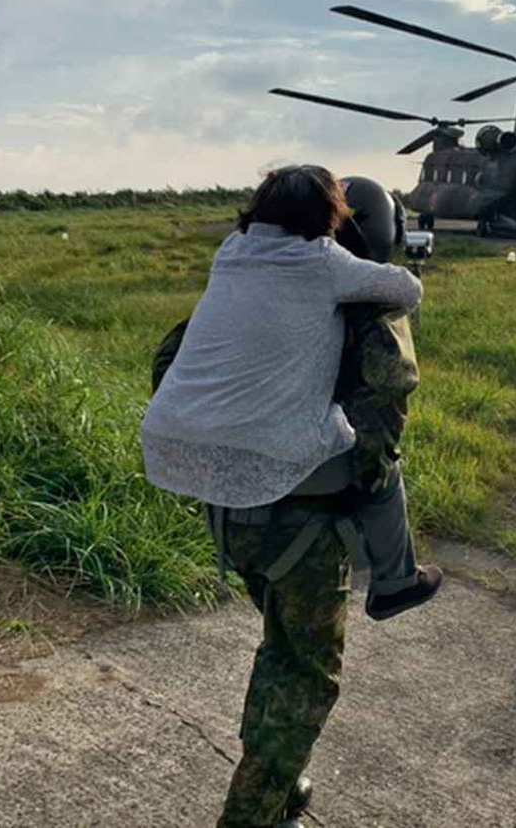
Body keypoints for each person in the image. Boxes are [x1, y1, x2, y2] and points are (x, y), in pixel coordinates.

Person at [140, 165, 441, 828]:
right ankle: (252, 814)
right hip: (301, 526)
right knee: (302, 679)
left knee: (283, 655)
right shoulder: (367, 313)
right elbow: (379, 435)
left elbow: (168, 364)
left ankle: (280, 782)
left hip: (224, 514)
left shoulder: (244, 280)